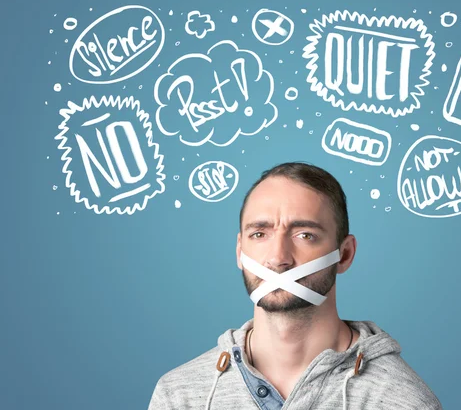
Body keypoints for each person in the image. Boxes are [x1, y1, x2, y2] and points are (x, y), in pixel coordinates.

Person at [148, 162, 442, 409]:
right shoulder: (179, 397)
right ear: (240, 251)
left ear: (345, 254)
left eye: (305, 235)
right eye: (260, 234)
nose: (278, 259)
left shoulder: (398, 401)